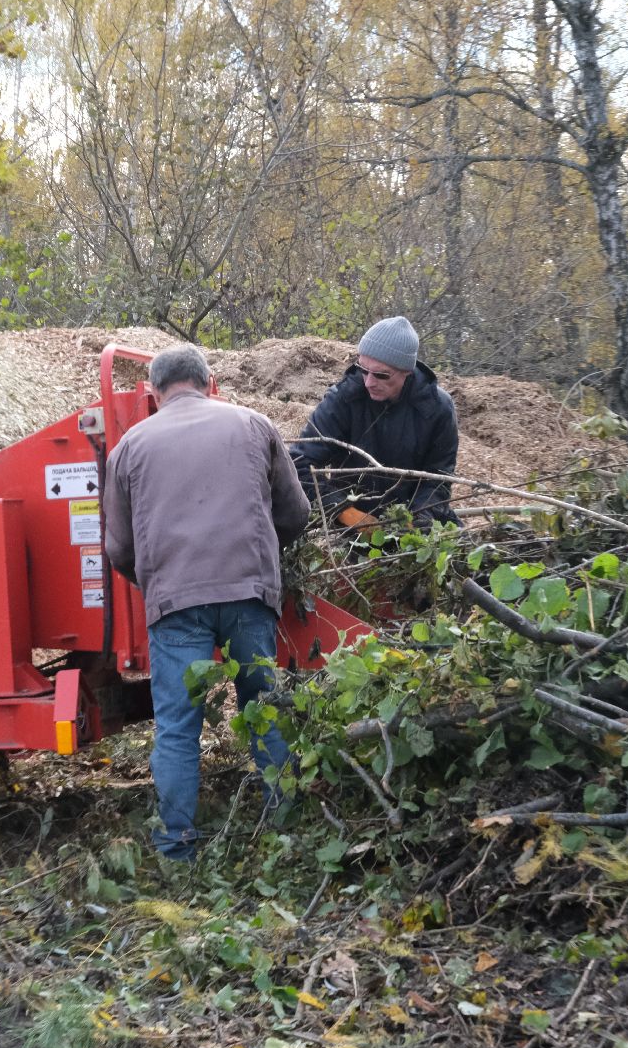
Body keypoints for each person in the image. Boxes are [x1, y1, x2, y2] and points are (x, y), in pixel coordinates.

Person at [103, 345, 311, 862]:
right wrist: (260, 559)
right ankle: (287, 835)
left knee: (177, 728)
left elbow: (119, 549)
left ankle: (177, 850)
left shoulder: (128, 447)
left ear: (154, 393)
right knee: (263, 711)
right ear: (210, 382)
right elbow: (295, 513)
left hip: (175, 603)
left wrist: (158, 584)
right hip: (248, 595)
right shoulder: (255, 425)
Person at [290, 316, 460, 526]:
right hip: (347, 524)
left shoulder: (437, 408)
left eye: (381, 375)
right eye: (363, 370)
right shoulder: (344, 399)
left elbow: (439, 479)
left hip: (409, 519)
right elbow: (300, 463)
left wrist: (420, 518)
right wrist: (342, 510)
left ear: (406, 371)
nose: (369, 382)